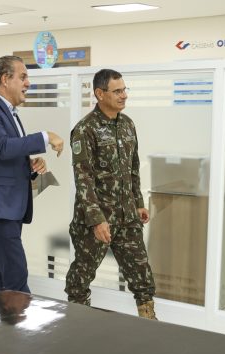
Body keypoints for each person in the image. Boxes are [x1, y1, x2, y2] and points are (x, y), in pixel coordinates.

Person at [64, 69, 158, 320]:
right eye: (117, 91)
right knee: (82, 275)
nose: (124, 95)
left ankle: (148, 318)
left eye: (124, 90)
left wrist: (138, 203)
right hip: (97, 219)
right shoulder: (85, 129)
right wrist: (97, 220)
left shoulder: (127, 124)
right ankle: (77, 320)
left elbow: (133, 168)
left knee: (141, 272)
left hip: (127, 216)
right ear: (99, 93)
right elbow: (83, 179)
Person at [0, 55, 64, 293]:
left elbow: (2, 154)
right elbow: (2, 147)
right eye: (23, 77)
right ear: (5, 79)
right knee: (16, 274)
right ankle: (21, 317)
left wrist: (29, 163)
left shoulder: (9, 111)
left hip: (8, 207)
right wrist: (45, 136)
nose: (28, 83)